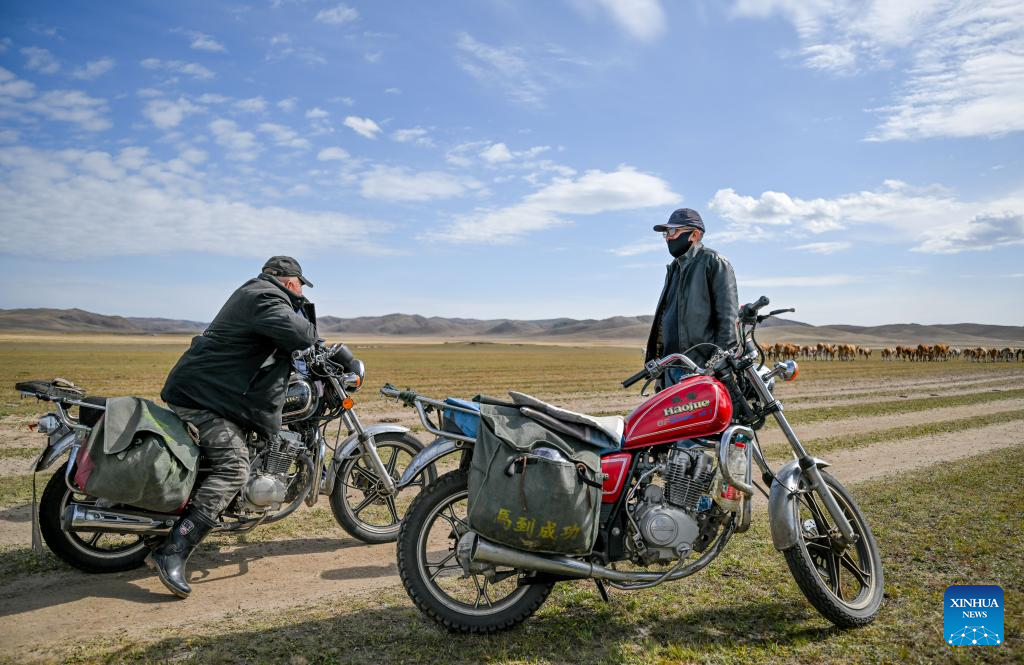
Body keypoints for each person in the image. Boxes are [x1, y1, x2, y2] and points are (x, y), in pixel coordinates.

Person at [151, 256, 319, 598]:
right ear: (289, 282)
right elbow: (300, 333)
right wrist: (307, 319)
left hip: (212, 391)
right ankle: (172, 550)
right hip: (202, 397)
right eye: (300, 286)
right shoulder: (264, 297)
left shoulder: (256, 294)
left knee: (241, 450)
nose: (301, 292)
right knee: (234, 468)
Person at [645, 208, 739, 388]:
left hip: (700, 368)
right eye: (666, 233)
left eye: (673, 231)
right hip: (671, 367)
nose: (668, 238)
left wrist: (717, 365)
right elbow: (665, 321)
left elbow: (727, 318)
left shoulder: (714, 262)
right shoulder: (673, 268)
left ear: (694, 234)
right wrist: (661, 372)